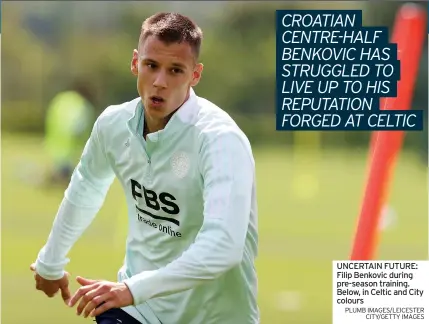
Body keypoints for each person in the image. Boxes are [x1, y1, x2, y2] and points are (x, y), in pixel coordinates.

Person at [30, 12, 259, 324]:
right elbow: (85, 187)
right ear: (136, 62)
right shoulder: (113, 125)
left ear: (195, 75)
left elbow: (224, 246)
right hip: (138, 311)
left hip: (214, 316)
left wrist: (133, 289)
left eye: (175, 70)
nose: (160, 82)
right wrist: (50, 262)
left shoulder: (220, 140)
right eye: (152, 66)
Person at [44, 79, 96, 185]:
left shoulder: (60, 99)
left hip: (54, 145)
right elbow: (78, 126)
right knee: (68, 175)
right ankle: (59, 178)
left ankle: (54, 177)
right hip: (70, 149)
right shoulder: (82, 105)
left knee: (60, 169)